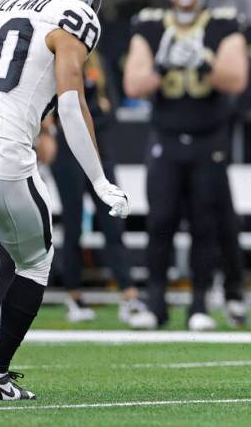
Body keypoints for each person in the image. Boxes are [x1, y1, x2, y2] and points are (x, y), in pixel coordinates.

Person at [0, 0, 129, 401]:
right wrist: (101, 181)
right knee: (35, 259)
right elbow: (71, 105)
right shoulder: (73, 17)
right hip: (4, 156)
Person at [122, 0, 248, 330]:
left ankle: (198, 305)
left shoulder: (224, 25)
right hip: (166, 135)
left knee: (204, 223)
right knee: (160, 220)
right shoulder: (149, 26)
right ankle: (156, 304)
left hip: (209, 137)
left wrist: (204, 62)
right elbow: (134, 84)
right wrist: (162, 64)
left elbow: (236, 80)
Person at [52, 53, 152, 326]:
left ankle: (128, 293)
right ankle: (74, 296)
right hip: (68, 153)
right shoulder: (60, 61)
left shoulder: (98, 63)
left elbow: (111, 109)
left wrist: (95, 115)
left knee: (113, 223)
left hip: (100, 152)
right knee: (73, 226)